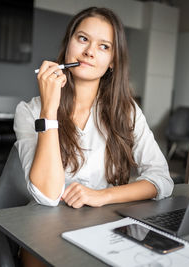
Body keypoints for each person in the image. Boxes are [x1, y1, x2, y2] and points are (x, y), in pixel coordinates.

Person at [14, 6, 174, 265]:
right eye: (83, 39)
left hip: (106, 225)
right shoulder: (29, 111)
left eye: (104, 46)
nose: (89, 52)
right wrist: (49, 110)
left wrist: (102, 196)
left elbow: (162, 180)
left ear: (112, 61)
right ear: (68, 44)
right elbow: (47, 196)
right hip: (45, 230)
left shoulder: (127, 111)